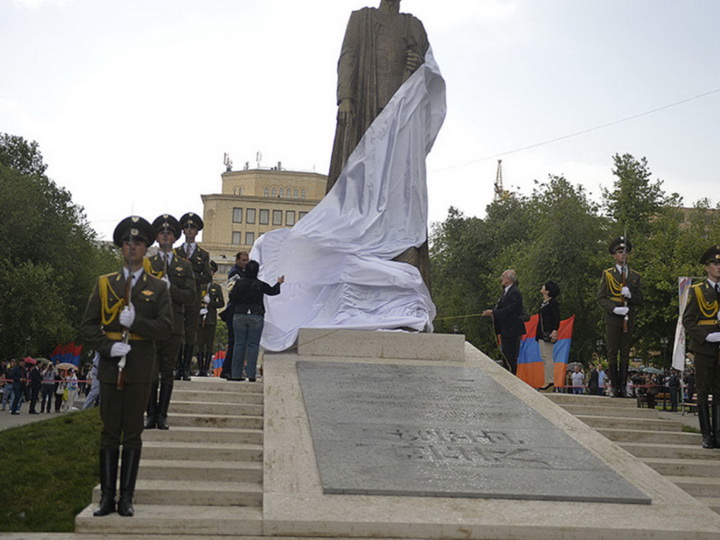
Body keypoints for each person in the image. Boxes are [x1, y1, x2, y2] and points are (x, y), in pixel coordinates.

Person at [327, 0, 431, 288]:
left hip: (400, 117)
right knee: (361, 179)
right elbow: (347, 57)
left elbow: (431, 75)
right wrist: (345, 97)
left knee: (398, 185)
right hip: (365, 112)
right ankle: (358, 240)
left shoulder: (414, 25)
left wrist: (419, 65)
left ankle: (397, 247)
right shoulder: (361, 19)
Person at [80, 215, 173, 517]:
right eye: (127, 242)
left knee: (132, 433)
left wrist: (139, 324)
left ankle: (127, 498)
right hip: (111, 368)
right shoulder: (105, 284)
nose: (132, 247)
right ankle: (107, 497)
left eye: (139, 242)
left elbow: (165, 328)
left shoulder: (158, 288)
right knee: (109, 433)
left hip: (140, 368)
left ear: (146, 247)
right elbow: (89, 327)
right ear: (121, 247)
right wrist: (108, 347)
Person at [144, 214, 195, 430]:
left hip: (174, 324)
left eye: (169, 233)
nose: (165, 236)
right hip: (151, 324)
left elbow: (190, 296)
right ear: (156, 237)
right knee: (150, 370)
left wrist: (170, 288)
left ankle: (163, 414)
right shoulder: (147, 263)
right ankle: (150, 414)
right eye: (161, 233)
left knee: (167, 371)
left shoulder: (185, 265)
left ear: (175, 238)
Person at [681, 244, 720, 449]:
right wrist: (706, 336)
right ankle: (706, 434)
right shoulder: (697, 291)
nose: (718, 266)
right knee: (703, 391)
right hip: (705, 348)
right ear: (707, 267)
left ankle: (719, 434)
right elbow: (687, 320)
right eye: (714, 263)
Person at [596, 236, 643, 397]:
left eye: (625, 252)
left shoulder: (635, 276)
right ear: (614, 255)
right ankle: (615, 386)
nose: (623, 255)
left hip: (629, 316)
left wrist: (630, 296)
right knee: (612, 351)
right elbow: (600, 298)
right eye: (620, 252)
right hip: (613, 317)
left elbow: (640, 300)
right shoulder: (608, 274)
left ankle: (623, 386)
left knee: (625, 352)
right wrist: (614, 309)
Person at [229, 260, 284, 381]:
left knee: (239, 344)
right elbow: (272, 291)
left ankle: (236, 374)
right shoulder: (260, 284)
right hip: (256, 314)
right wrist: (279, 282)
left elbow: (232, 297)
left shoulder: (238, 283)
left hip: (240, 314)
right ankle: (251, 374)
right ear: (257, 271)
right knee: (253, 345)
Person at [175, 212, 212, 380]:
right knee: (176, 331)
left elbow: (207, 277)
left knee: (190, 332)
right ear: (183, 231)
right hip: (176, 296)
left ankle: (186, 369)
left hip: (194, 296)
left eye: (193, 228)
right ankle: (177, 367)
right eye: (187, 228)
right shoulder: (176, 252)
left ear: (197, 232)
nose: (190, 231)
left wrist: (189, 274)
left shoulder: (202, 254)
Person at [482, 269, 526, 375]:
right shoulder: (505, 292)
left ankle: (511, 377)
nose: (501, 278)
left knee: (510, 356)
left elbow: (509, 310)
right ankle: (507, 375)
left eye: (503, 276)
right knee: (505, 354)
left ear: (509, 279)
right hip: (505, 329)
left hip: (512, 330)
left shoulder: (515, 292)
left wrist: (493, 312)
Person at [219, 251, 248, 379]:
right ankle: (228, 370)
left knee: (236, 342)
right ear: (237, 260)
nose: (245, 263)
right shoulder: (234, 273)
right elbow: (232, 291)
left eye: (247, 260)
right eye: (243, 260)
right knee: (234, 342)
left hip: (239, 310)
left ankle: (230, 369)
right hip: (234, 310)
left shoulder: (244, 272)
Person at [195, 261, 225, 376]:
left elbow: (221, 303)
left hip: (211, 320)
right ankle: (200, 368)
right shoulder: (199, 286)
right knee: (200, 344)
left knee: (209, 345)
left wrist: (211, 302)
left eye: (211, 271)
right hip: (200, 318)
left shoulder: (216, 287)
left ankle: (206, 369)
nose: (210, 273)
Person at [535, 280, 560, 392]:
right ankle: (546, 380)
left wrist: (555, 330)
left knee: (548, 356)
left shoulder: (553, 303)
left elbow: (557, 317)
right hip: (541, 332)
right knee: (544, 357)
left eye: (544, 286)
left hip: (548, 332)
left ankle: (550, 381)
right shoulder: (544, 303)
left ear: (548, 290)